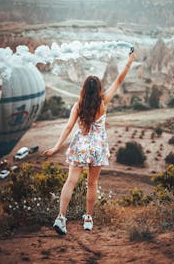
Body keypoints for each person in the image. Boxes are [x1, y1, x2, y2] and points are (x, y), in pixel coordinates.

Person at [42, 50, 136, 235]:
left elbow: (68, 127)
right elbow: (119, 80)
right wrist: (129, 61)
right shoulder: (103, 102)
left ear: (84, 89)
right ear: (99, 89)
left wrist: (56, 147)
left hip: (80, 146)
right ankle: (88, 218)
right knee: (92, 184)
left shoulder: (78, 106)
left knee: (70, 182)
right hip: (98, 148)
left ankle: (61, 218)